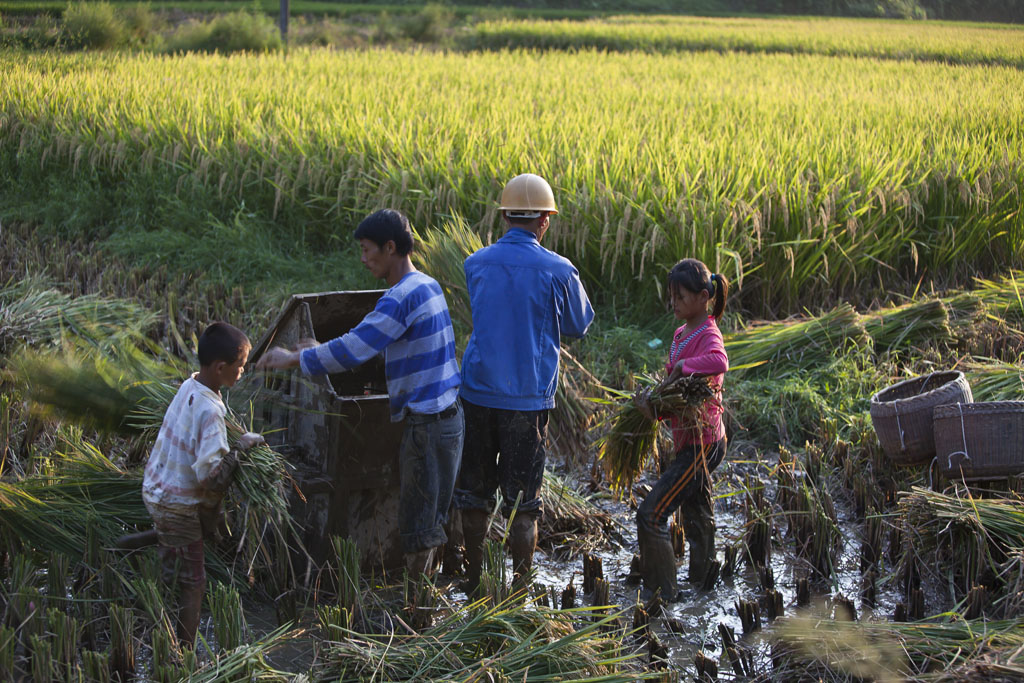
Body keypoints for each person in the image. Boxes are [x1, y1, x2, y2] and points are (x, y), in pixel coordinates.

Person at [256, 209, 463, 584]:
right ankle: (421, 604)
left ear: (390, 248)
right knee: (430, 516)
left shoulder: (399, 298)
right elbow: (382, 344)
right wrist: (321, 349)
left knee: (420, 525)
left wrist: (293, 358)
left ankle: (417, 612)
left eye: (368, 251)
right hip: (448, 417)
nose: (363, 258)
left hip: (428, 425)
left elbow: (355, 349)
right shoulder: (427, 285)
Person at [455, 173, 594, 595]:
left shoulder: (475, 263)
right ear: (545, 221)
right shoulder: (558, 270)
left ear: (504, 218)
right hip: (527, 400)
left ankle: (475, 581)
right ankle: (519, 591)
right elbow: (578, 324)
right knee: (524, 503)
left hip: (476, 391)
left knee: (474, 493)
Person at [119, 321, 264, 644]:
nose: (242, 372)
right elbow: (210, 480)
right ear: (221, 367)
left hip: (156, 488)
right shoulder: (211, 413)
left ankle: (131, 545)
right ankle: (184, 652)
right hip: (176, 504)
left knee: (193, 530)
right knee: (193, 582)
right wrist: (241, 447)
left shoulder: (192, 384)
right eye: (239, 367)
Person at [634, 258, 729, 600]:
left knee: (651, 515)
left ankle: (662, 595)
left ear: (704, 297)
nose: (673, 304)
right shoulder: (679, 334)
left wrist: (686, 365)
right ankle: (705, 588)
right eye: (671, 297)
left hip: (702, 444)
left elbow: (720, 362)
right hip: (691, 440)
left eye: (681, 297)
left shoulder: (708, 334)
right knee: (696, 512)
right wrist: (653, 410)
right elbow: (676, 394)